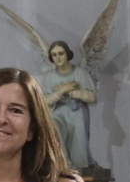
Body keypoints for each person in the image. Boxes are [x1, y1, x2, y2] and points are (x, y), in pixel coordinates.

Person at [37, 41, 97, 169]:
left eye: (61, 53)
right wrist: (61, 92)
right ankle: (64, 164)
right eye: (54, 55)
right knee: (53, 125)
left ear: (67, 54)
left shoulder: (80, 73)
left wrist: (74, 92)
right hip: (58, 111)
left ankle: (81, 166)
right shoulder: (50, 77)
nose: (58, 58)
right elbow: (44, 102)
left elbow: (92, 98)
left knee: (79, 136)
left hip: (77, 110)